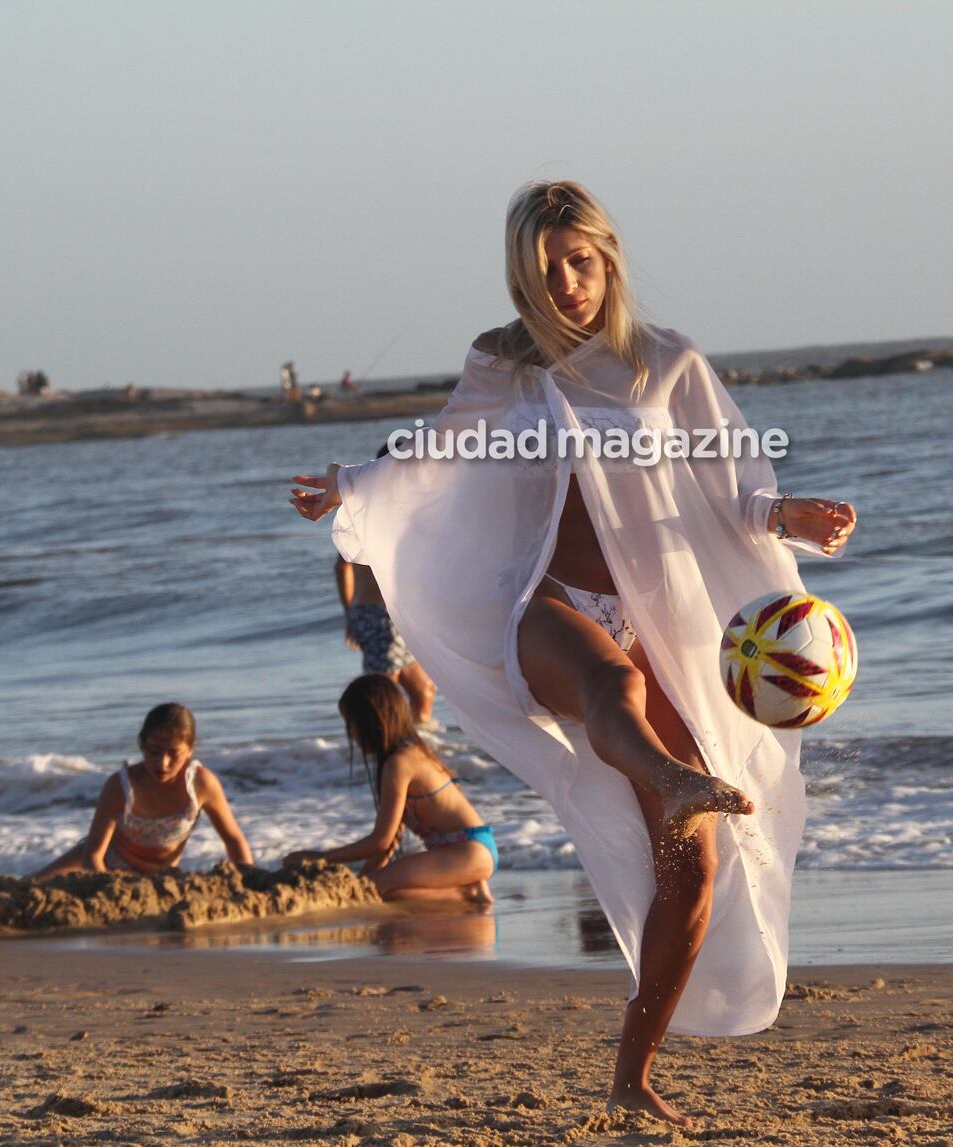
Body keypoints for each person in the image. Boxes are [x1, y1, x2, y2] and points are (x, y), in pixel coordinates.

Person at [288, 180, 855, 1124]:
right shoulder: (503, 366)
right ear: (522, 278)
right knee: (610, 682)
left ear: (609, 259)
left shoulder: (665, 363)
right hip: (545, 604)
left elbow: (722, 481)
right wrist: (348, 485)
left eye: (580, 264)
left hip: (651, 613)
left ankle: (633, 1073)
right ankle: (672, 777)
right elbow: (435, 452)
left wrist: (782, 516)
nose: (566, 287)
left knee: (697, 867)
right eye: (546, 272)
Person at [284, 674, 495, 902]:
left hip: (468, 851)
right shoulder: (406, 755)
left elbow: (380, 841)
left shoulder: (401, 763)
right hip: (465, 852)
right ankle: (464, 891)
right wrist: (364, 878)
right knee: (371, 889)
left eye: (351, 725)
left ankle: (467, 893)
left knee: (372, 891)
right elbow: (390, 842)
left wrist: (320, 858)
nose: (351, 735)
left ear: (371, 722)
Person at [30, 703, 253, 880]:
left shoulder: (201, 783)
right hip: (100, 868)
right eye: (154, 751)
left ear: (191, 749)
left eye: (173, 754)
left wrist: (247, 881)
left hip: (158, 877)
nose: (162, 763)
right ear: (141, 744)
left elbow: (234, 841)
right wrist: (111, 887)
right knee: (25, 889)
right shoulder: (121, 785)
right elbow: (93, 856)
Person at [336, 445, 437, 725]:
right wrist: (350, 614)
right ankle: (387, 753)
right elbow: (343, 564)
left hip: (399, 616)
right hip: (379, 614)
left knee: (424, 692)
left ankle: (421, 748)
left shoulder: (412, 508)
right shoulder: (369, 508)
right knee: (383, 701)